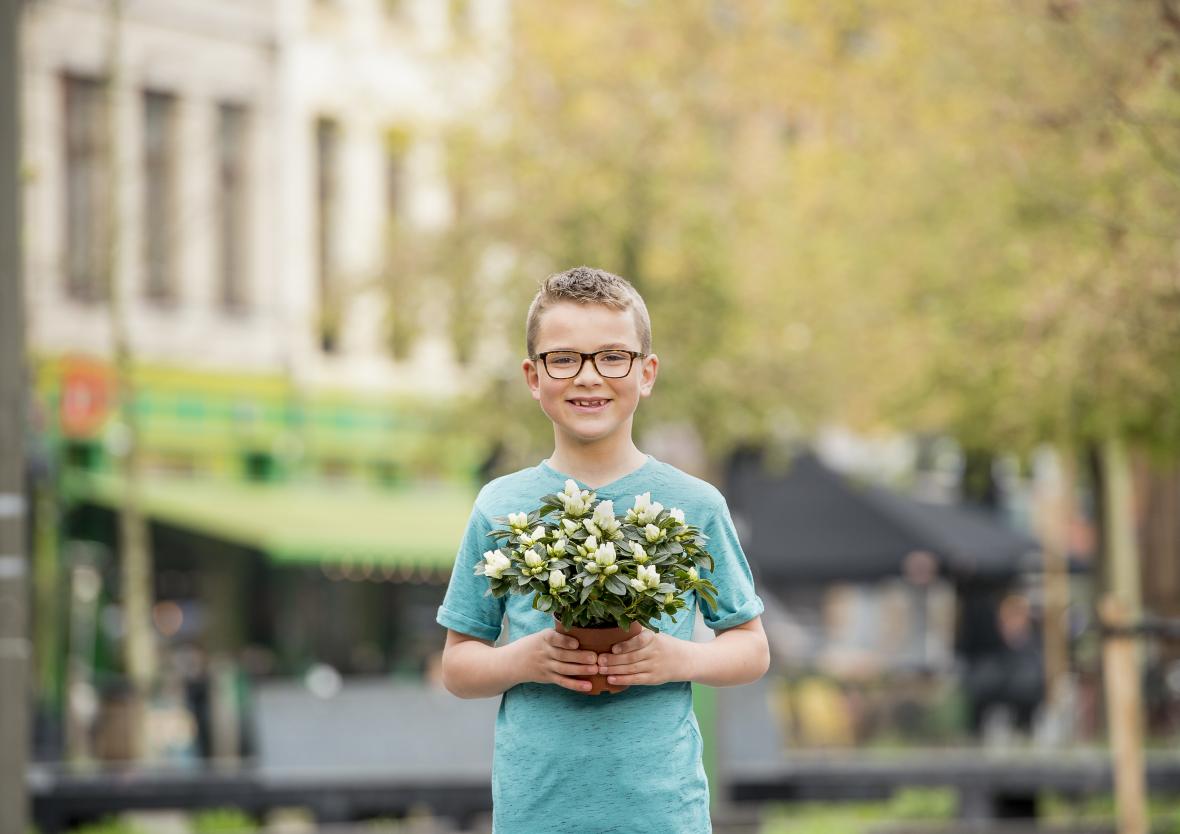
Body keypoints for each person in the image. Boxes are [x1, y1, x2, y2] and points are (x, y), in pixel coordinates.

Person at [436, 266, 770, 834]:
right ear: (532, 377)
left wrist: (677, 657)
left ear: (646, 372)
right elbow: (458, 665)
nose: (588, 378)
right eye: (563, 358)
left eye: (612, 357)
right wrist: (525, 658)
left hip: (662, 815)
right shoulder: (500, 504)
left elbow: (751, 649)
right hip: (535, 814)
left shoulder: (695, 504)